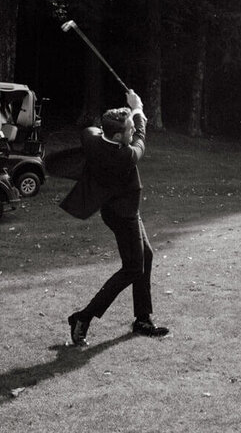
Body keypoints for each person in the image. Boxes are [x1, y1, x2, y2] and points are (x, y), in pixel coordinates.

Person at [60, 90, 169, 344]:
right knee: (132, 269)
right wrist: (138, 108)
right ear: (119, 137)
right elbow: (141, 139)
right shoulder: (125, 155)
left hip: (120, 209)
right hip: (123, 215)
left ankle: (142, 319)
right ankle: (83, 317)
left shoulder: (92, 137)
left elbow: (96, 131)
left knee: (147, 256)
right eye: (128, 131)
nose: (132, 133)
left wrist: (129, 111)